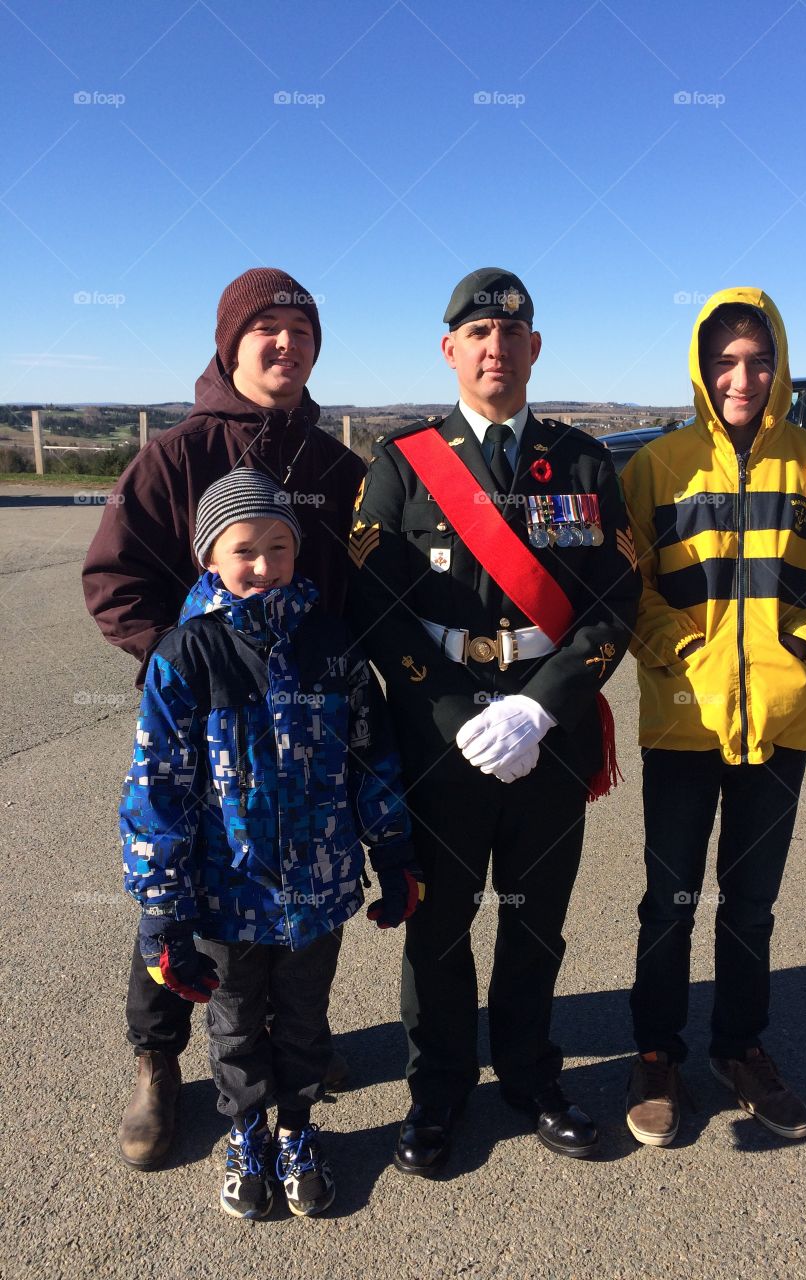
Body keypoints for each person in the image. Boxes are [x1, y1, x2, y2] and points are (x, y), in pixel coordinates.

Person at [348, 268, 640, 1175]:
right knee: (439, 925)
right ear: (450, 351)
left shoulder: (586, 463)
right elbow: (375, 604)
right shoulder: (402, 463)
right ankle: (437, 1090)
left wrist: (538, 708)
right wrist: (448, 713)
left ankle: (528, 1074)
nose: (494, 348)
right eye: (476, 334)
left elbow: (614, 600)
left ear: (534, 349)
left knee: (537, 918)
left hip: (546, 737)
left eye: (511, 335)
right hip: (437, 741)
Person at [82, 268, 366, 1172]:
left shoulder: (337, 466)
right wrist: (184, 665)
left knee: (292, 888)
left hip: (307, 731)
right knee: (178, 889)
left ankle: (288, 1057)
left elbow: (368, 588)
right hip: (202, 734)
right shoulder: (176, 455)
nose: (286, 344)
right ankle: (158, 1063)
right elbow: (113, 581)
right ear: (230, 344)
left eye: (302, 330)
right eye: (267, 329)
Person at [621, 287, 806, 1146]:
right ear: (703, 368)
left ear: (779, 365)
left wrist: (805, 642)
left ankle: (739, 1048)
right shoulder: (657, 466)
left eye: (759, 359)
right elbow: (623, 586)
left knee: (751, 903)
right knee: (669, 901)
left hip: (779, 722)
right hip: (683, 716)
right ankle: (657, 1056)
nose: (743, 376)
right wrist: (678, 647)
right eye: (726, 361)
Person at [121, 468, 421, 1218]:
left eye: (279, 547)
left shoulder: (330, 643)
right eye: (244, 549)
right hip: (226, 897)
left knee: (304, 1019)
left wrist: (392, 850)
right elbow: (157, 789)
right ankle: (246, 1130)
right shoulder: (185, 654)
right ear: (210, 558)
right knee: (232, 1024)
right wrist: (163, 908)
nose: (264, 564)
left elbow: (369, 754)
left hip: (316, 890)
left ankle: (296, 1128)